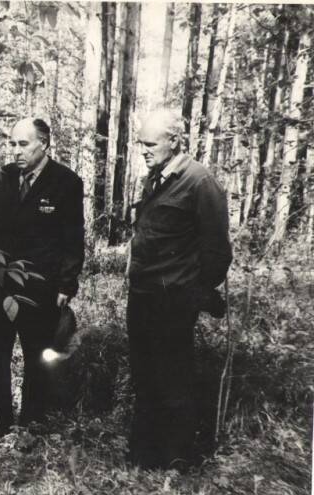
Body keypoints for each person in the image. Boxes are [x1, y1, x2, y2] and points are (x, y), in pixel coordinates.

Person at [127, 109, 232, 470]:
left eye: (150, 143)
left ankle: (176, 458)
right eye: (140, 143)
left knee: (173, 377)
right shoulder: (155, 179)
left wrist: (194, 290)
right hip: (142, 296)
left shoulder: (199, 182)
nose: (143, 149)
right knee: (145, 374)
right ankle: (145, 454)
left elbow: (218, 251)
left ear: (174, 141)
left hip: (173, 300)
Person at [0, 118, 85, 438]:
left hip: (40, 287)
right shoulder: (4, 177)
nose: (16, 151)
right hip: (0, 283)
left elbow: (73, 240)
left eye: (24, 144)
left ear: (44, 144)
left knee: (37, 355)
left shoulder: (66, 183)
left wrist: (66, 283)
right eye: (12, 144)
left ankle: (31, 424)